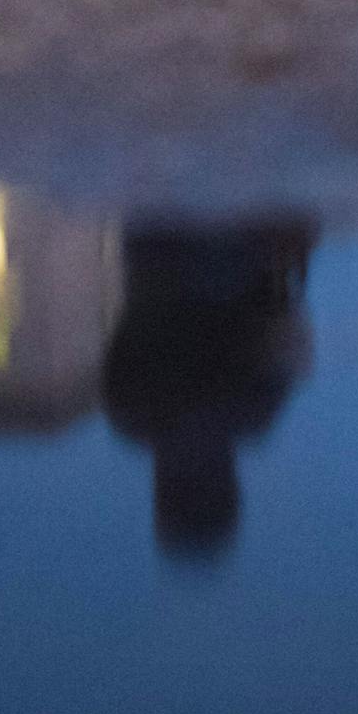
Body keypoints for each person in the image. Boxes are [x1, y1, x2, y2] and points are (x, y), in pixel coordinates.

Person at [102, 213, 317, 558]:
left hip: (239, 248)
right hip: (154, 243)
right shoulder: (129, 415)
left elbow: (289, 324)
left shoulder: (253, 414)